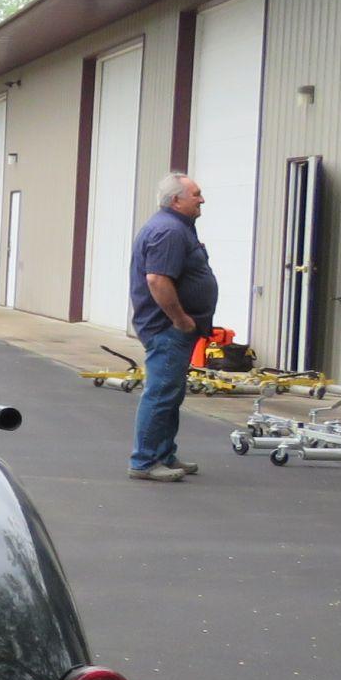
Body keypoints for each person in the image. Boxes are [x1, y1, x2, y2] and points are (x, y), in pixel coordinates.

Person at [127, 171, 216, 482]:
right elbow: (157, 279)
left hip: (173, 329)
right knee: (162, 392)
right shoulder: (169, 231)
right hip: (168, 329)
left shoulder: (177, 228)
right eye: (196, 194)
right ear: (176, 200)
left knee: (171, 393)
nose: (202, 199)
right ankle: (144, 461)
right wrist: (181, 319)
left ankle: (163, 453)